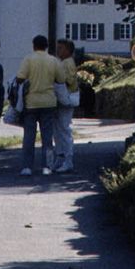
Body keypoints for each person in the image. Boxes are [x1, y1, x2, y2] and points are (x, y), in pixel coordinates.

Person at [17, 34, 63, 175]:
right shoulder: (53, 61)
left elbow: (20, 78)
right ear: (47, 46)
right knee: (47, 137)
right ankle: (47, 166)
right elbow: (61, 79)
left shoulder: (28, 59)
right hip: (49, 101)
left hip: (31, 102)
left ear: (34, 45)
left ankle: (27, 167)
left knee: (29, 136)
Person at [53, 38, 79, 173]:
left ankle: (67, 159)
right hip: (63, 99)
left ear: (68, 50)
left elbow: (68, 80)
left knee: (63, 130)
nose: (58, 50)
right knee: (59, 130)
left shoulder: (67, 63)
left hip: (66, 98)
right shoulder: (65, 62)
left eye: (61, 48)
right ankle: (61, 157)